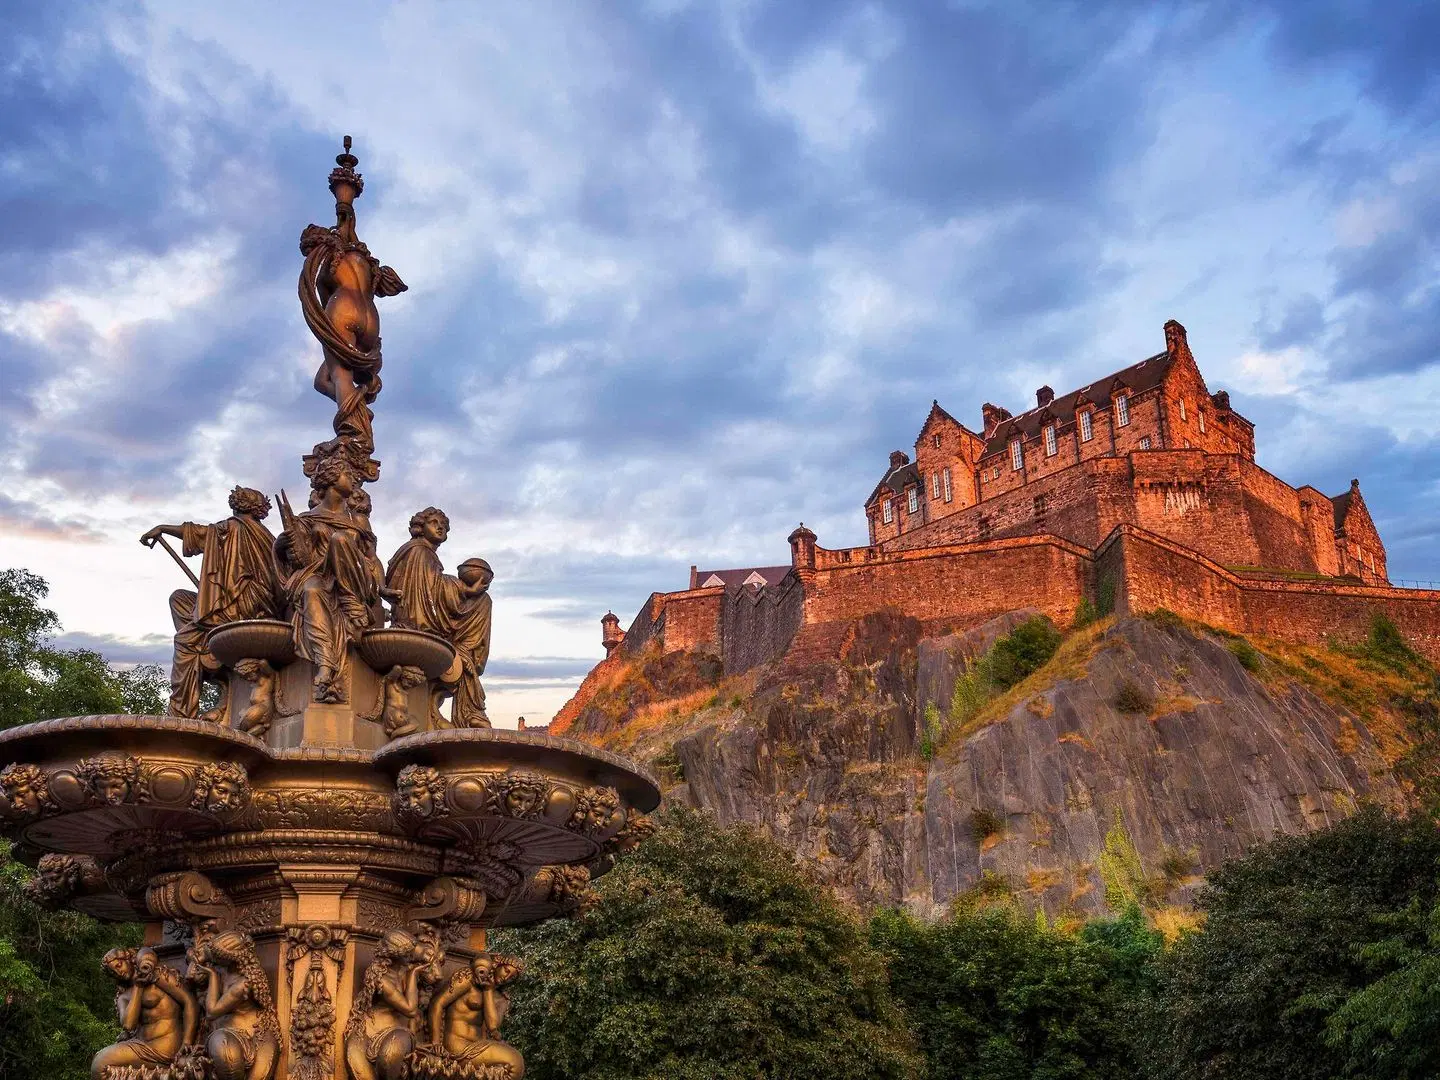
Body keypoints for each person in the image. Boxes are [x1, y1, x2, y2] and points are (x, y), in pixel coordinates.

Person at [141, 486, 280, 717]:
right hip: (253, 603)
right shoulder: (266, 536)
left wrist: (162, 528)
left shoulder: (232, 528)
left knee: (184, 641)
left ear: (236, 505)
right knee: (181, 599)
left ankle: (181, 712)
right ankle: (205, 643)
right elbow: (197, 533)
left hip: (240, 606)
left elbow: (197, 533)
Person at [274, 454, 383, 703]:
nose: (353, 479)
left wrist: (383, 587)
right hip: (318, 576)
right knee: (311, 591)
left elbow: (371, 560)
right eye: (347, 474)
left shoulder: (358, 521)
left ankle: (349, 600)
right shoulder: (306, 519)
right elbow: (299, 559)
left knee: (340, 539)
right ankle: (325, 663)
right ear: (331, 479)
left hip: (355, 583)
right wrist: (285, 544)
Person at [385, 508, 492, 726]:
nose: (440, 527)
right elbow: (433, 586)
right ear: (420, 527)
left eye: (444, 525)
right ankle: (468, 707)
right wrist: (464, 589)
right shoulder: (418, 551)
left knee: (483, 602)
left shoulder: (426, 554)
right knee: (480, 602)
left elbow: (435, 584)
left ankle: (469, 703)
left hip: (432, 612)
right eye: (434, 522)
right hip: (419, 619)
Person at [91, 946, 198, 1079]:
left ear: (129, 959)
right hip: (141, 1045)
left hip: (165, 1045)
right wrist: (138, 986)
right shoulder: (123, 996)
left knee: (100, 1063)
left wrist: (187, 1042)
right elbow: (128, 1024)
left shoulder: (157, 976)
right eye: (113, 973)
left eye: (119, 965)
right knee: (99, 1062)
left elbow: (189, 1001)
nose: (118, 972)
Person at [194, 931, 279, 1080]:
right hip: (223, 1031)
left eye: (217, 957)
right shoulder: (225, 972)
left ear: (230, 958)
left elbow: (212, 1011)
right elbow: (191, 975)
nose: (214, 961)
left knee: (223, 1046)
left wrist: (212, 976)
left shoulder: (244, 983)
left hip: (247, 1037)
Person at [343, 929, 428, 1080]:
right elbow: (410, 1009)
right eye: (407, 955)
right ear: (395, 956)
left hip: (397, 1030)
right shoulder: (382, 980)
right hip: (375, 1033)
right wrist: (414, 974)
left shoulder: (402, 970)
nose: (410, 958)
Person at [426, 954, 525, 1078]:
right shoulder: (469, 978)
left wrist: (488, 990)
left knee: (514, 1063)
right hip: (457, 1044)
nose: (507, 977)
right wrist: (435, 1042)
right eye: (506, 971)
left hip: (478, 1046)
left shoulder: (502, 999)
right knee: (514, 1061)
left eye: (512, 978)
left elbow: (492, 1025)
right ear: (497, 965)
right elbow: (437, 1003)